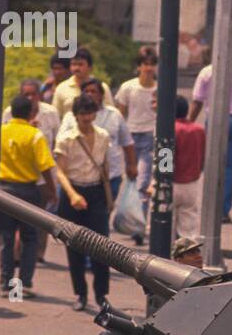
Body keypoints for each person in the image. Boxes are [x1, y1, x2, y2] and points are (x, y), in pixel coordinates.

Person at [54, 95, 113, 311]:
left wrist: (108, 196)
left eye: (90, 113)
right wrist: (71, 194)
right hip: (74, 190)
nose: (87, 118)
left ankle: (102, 294)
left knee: (102, 246)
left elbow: (105, 165)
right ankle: (80, 293)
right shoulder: (66, 139)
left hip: (96, 191)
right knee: (75, 246)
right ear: (75, 115)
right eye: (83, 114)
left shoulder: (103, 136)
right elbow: (59, 170)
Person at [0, 94, 58, 298]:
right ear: (31, 113)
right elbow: (46, 166)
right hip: (28, 192)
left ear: (11, 112)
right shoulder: (35, 135)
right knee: (29, 238)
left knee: (5, 238)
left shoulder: (0, 131)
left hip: (3, 190)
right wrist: (52, 190)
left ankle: (6, 283)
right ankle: (22, 286)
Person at [189, 46, 232, 221]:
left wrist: (188, 123)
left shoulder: (206, 72)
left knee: (210, 165)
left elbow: (197, 102)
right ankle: (224, 210)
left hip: (213, 120)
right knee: (230, 168)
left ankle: (209, 208)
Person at [59, 78, 136, 202]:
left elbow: (127, 142)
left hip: (110, 177)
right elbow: (61, 143)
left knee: (103, 212)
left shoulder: (114, 115)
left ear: (101, 95)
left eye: (93, 91)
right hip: (77, 179)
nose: (89, 94)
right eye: (86, 91)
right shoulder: (71, 116)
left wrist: (132, 165)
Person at [114, 46, 159, 222]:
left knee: (143, 179)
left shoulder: (160, 89)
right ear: (139, 66)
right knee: (129, 178)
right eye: (145, 64)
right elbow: (121, 115)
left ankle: (139, 221)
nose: (148, 68)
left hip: (150, 136)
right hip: (130, 138)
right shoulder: (128, 87)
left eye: (151, 64)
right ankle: (127, 215)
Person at [171, 95, 205, 237]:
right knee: (188, 229)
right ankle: (187, 257)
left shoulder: (169, 129)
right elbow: (202, 156)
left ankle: (164, 258)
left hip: (172, 183)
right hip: (191, 183)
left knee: (166, 227)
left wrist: (160, 179)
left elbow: (164, 162)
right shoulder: (199, 130)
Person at [52, 48, 114, 118]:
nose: (76, 68)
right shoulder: (61, 88)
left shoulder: (102, 87)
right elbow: (55, 116)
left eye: (80, 64)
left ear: (90, 68)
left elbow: (110, 114)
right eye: (74, 64)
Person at [3, 78, 62, 149]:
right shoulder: (9, 112)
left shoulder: (51, 112)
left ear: (39, 95)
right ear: (20, 95)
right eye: (26, 95)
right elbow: (4, 139)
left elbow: (58, 140)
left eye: (34, 94)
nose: (30, 98)